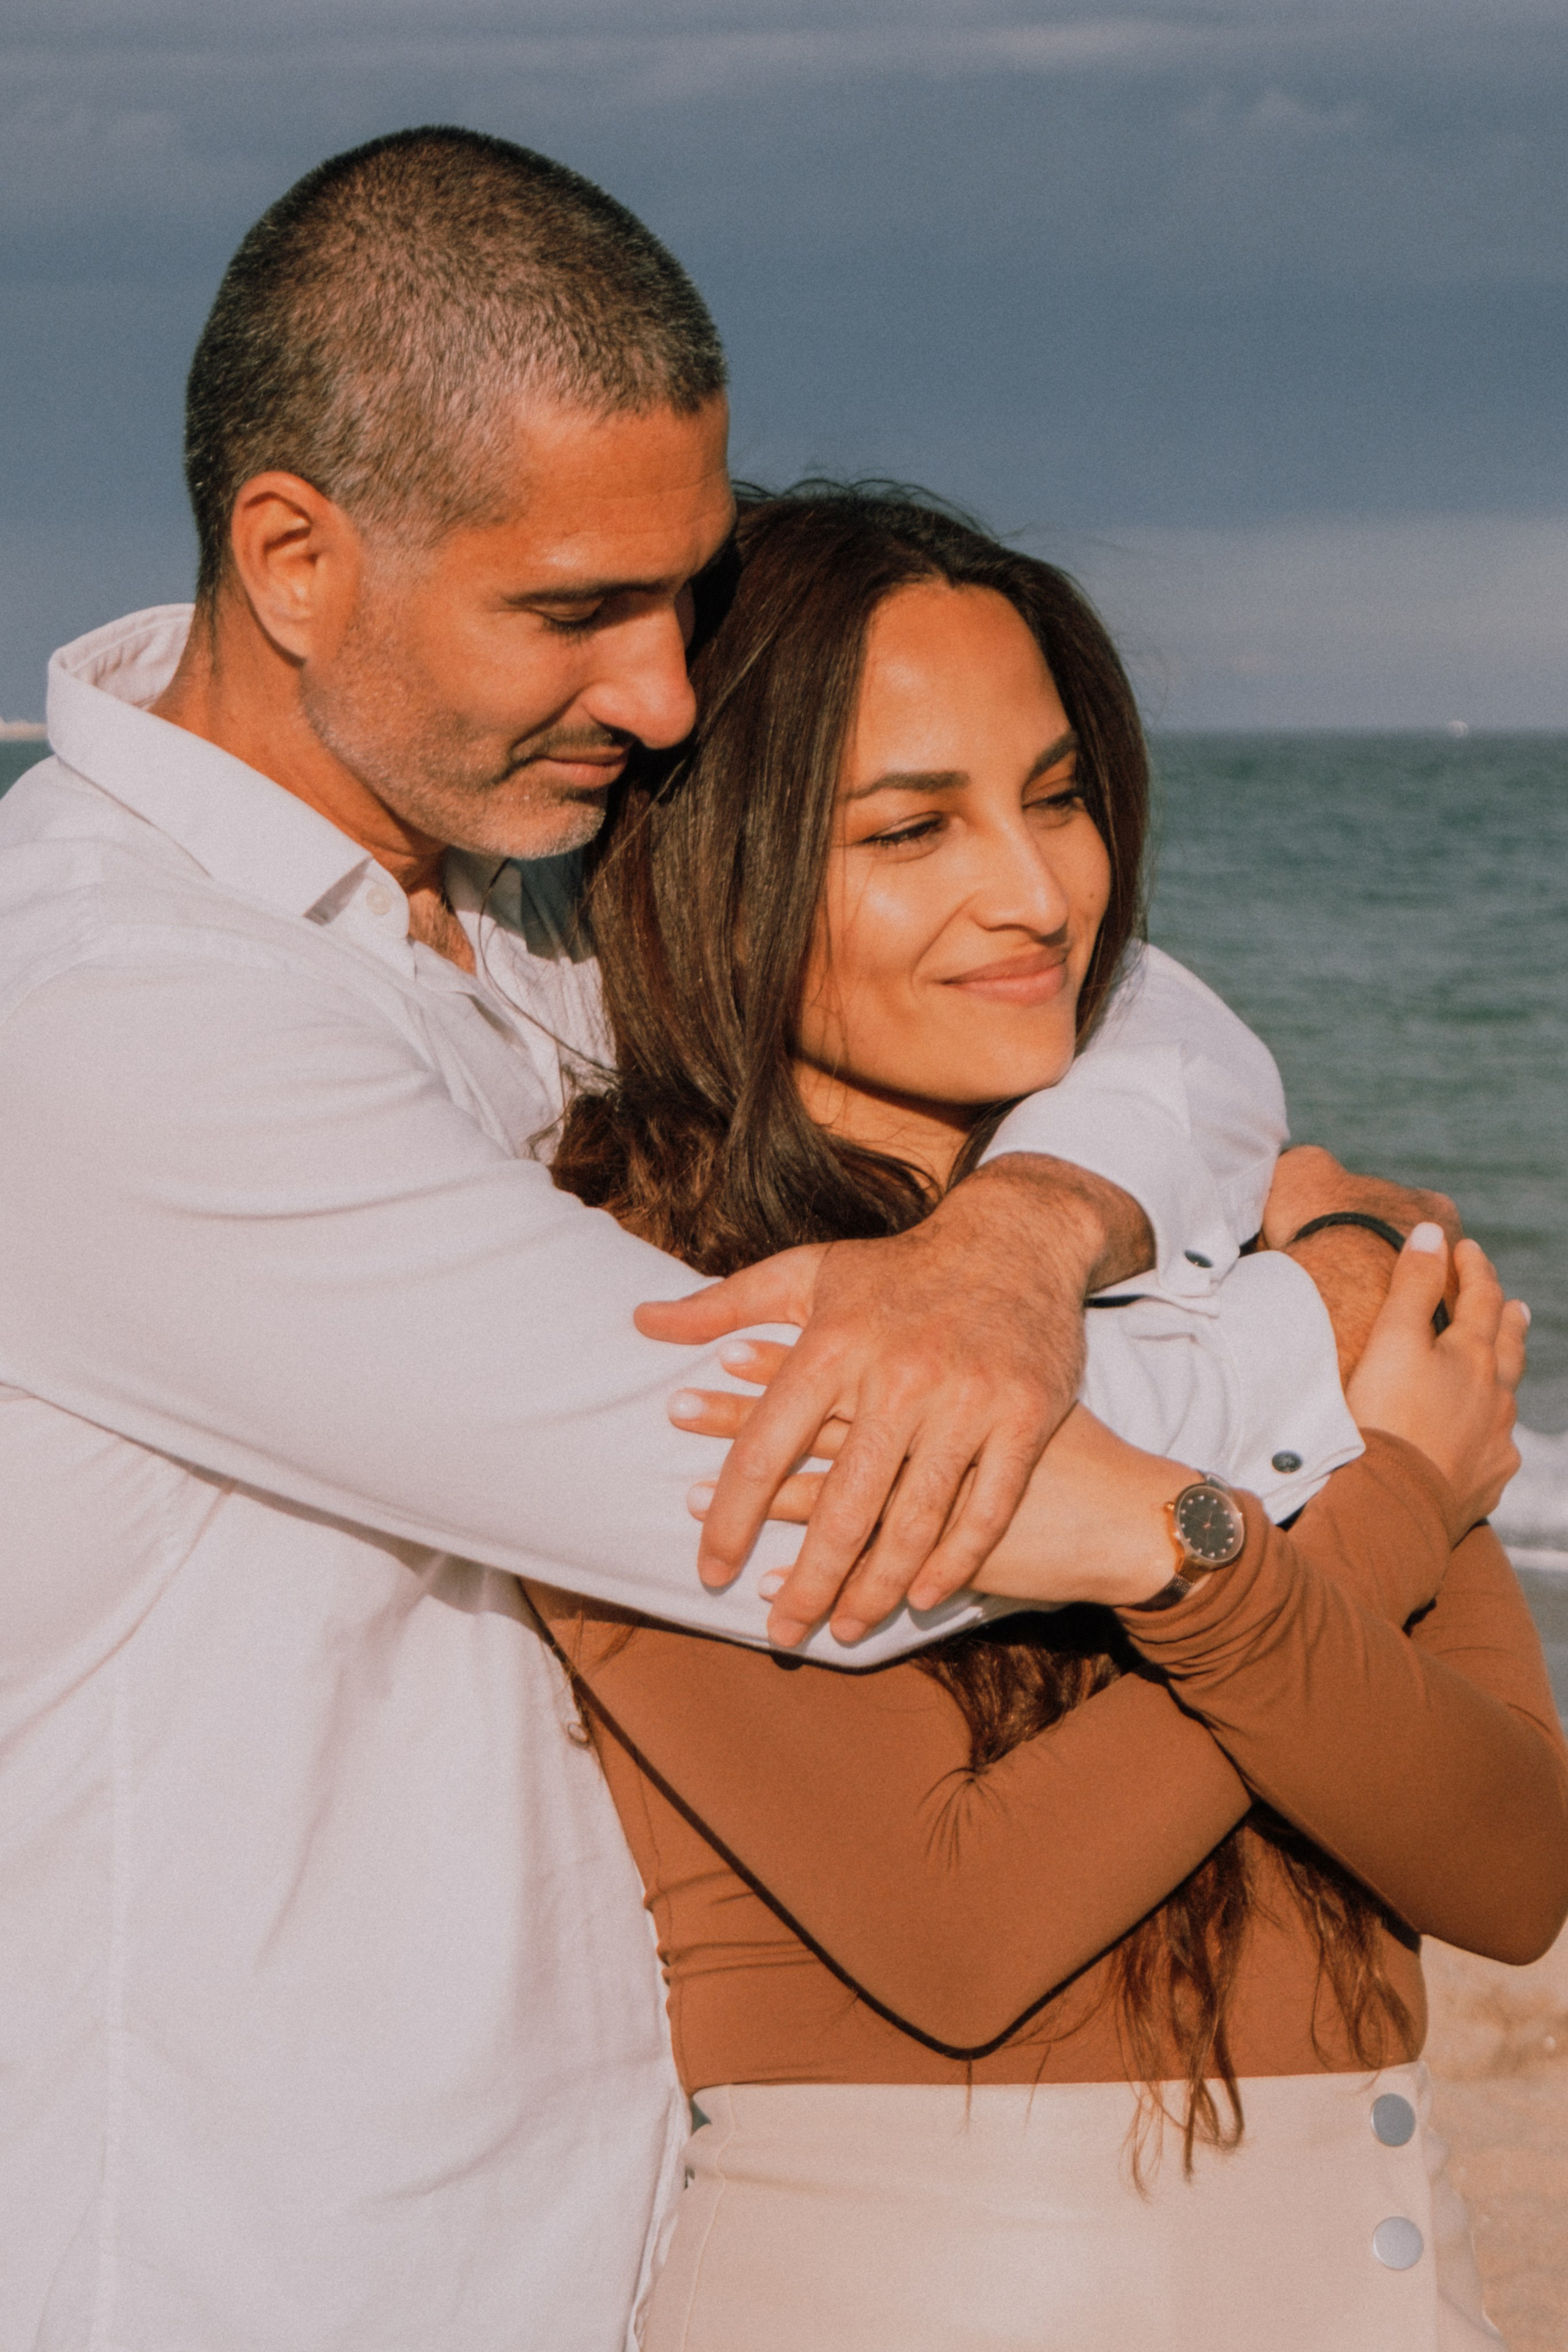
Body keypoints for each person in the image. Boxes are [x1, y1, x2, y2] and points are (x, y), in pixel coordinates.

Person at [0, 129, 1408, 2352]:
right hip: (228, 2266)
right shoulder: (115, 1027)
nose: (665, 695)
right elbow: (823, 1504)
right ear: (292, 555)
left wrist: (1026, 1233)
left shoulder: (527, 907)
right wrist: (1336, 1356)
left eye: (683, 595)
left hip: (599, 2253)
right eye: (574, 613)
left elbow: (1148, 1004)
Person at [534, 487, 1568, 2351]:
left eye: (1063, 794)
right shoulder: (644, 1311)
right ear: (721, 863)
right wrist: (1348, 1509)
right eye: (912, 828)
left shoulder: (1264, 1269)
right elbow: (960, 1926)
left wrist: (1219, 1516)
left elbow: (1511, 1867)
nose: (1037, 894)